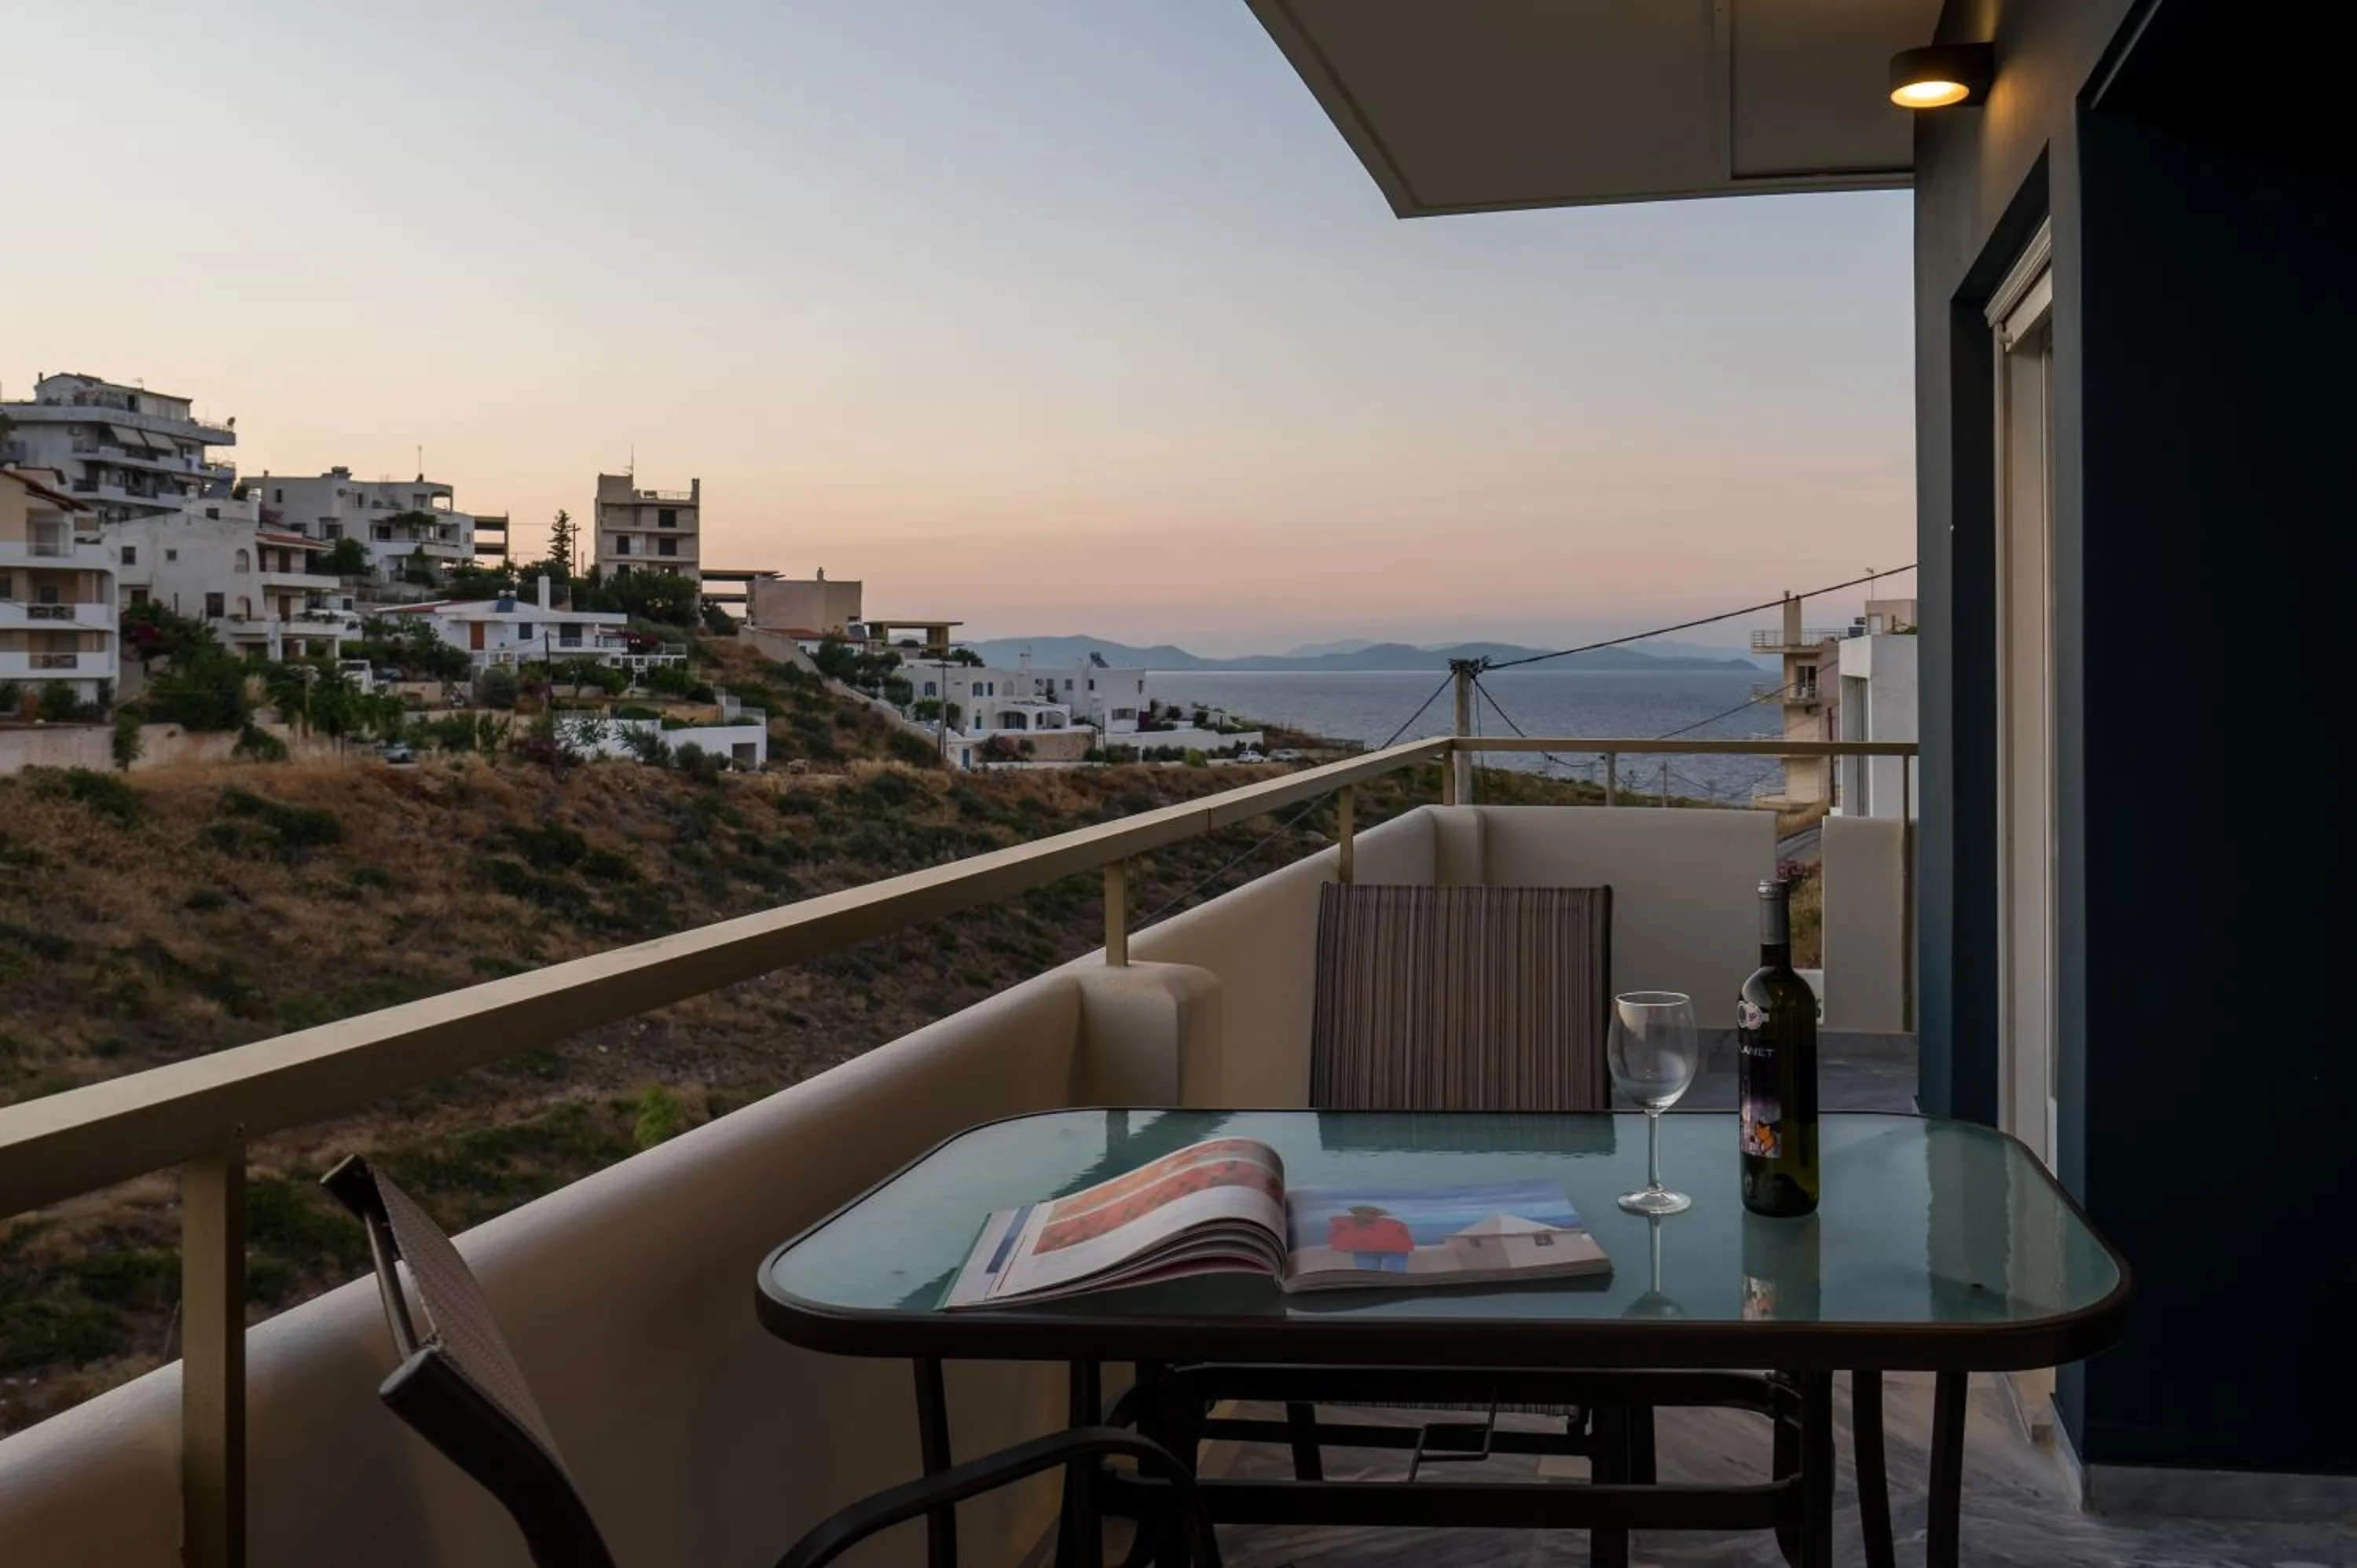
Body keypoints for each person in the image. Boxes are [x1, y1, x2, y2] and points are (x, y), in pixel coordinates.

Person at [1326, 1204, 1414, 1272]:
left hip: (1388, 1250)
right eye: (1365, 1213)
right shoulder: (1394, 1223)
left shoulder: (1345, 1222)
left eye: (1370, 1213)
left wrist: (1340, 1245)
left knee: (1369, 1275)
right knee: (1373, 1274)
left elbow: (1334, 1234)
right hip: (1382, 1250)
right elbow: (1405, 1236)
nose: (1366, 1216)